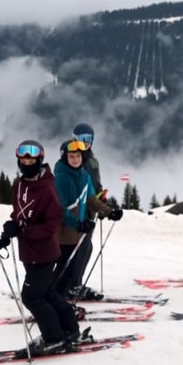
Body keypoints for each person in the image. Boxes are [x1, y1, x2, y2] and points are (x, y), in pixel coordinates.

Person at [0, 139, 82, 354]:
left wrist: (23, 232)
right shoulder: (20, 184)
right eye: (23, 160)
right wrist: (5, 237)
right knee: (47, 293)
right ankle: (70, 329)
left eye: (31, 160)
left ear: (40, 161)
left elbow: (51, 225)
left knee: (31, 297)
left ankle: (54, 337)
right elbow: (19, 214)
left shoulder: (48, 189)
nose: (27, 163)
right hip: (28, 251)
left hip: (44, 252)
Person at [53, 138, 121, 301]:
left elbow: (91, 199)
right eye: (71, 157)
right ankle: (56, 299)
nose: (75, 160)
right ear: (65, 158)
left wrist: (109, 212)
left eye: (78, 156)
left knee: (84, 252)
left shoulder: (83, 175)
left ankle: (72, 288)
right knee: (66, 268)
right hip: (64, 231)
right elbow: (60, 209)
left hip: (77, 229)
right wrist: (78, 223)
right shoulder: (61, 178)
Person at [69, 122, 117, 299]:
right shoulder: (74, 159)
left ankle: (74, 283)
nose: (85, 142)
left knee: (85, 247)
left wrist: (101, 197)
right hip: (79, 211)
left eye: (88, 139)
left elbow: (94, 184)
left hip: (91, 209)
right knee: (81, 248)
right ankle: (72, 285)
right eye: (81, 138)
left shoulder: (91, 160)